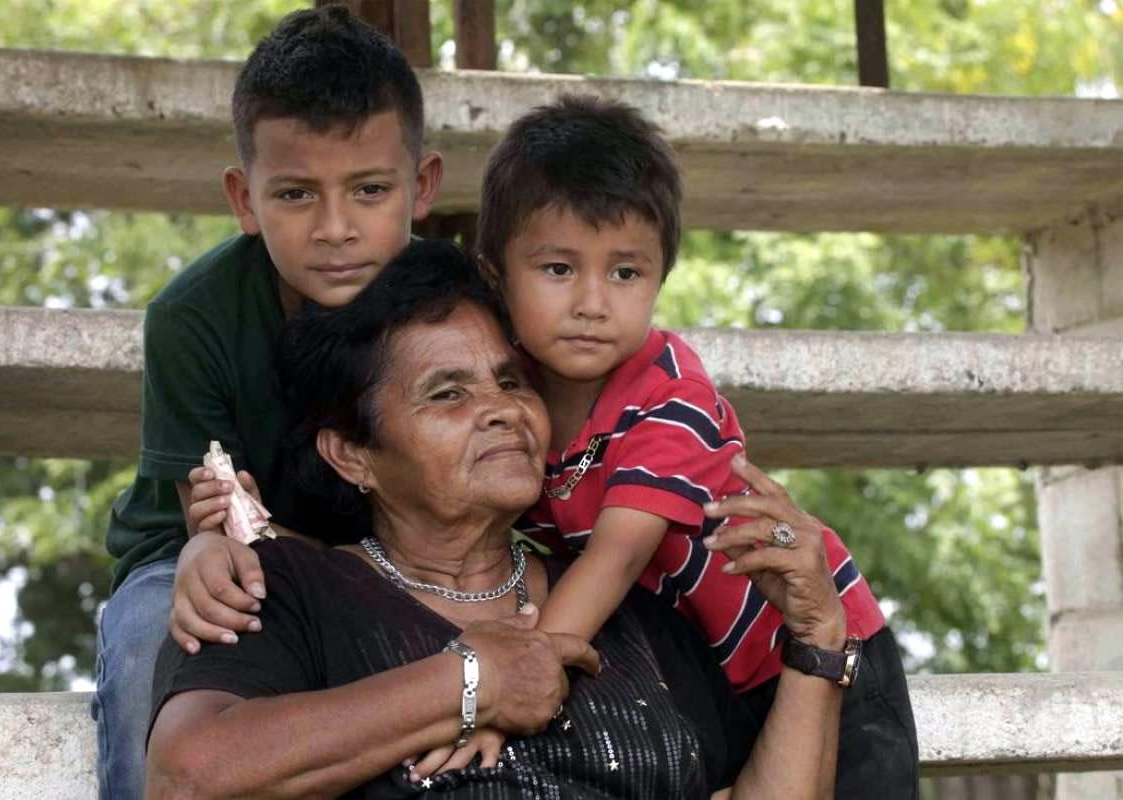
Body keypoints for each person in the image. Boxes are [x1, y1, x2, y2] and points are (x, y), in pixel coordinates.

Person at [146, 239, 852, 799]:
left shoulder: (634, 608)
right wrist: (469, 682)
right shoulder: (284, 590)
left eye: (510, 381)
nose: (501, 409)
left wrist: (817, 641)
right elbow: (189, 776)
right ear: (352, 453)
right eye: (447, 393)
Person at [460, 95, 918, 797]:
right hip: (700, 665)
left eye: (625, 273)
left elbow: (618, 554)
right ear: (496, 274)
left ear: (660, 279)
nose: (592, 302)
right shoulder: (510, 398)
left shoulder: (672, 397)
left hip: (817, 647)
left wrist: (512, 688)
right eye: (558, 269)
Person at [93, 6, 443, 797]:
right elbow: (219, 520)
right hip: (205, 555)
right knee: (158, 640)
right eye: (294, 194)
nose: (334, 228)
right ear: (243, 199)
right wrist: (218, 546)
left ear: (421, 187)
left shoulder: (449, 307)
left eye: (369, 189)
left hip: (393, 555)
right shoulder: (193, 317)